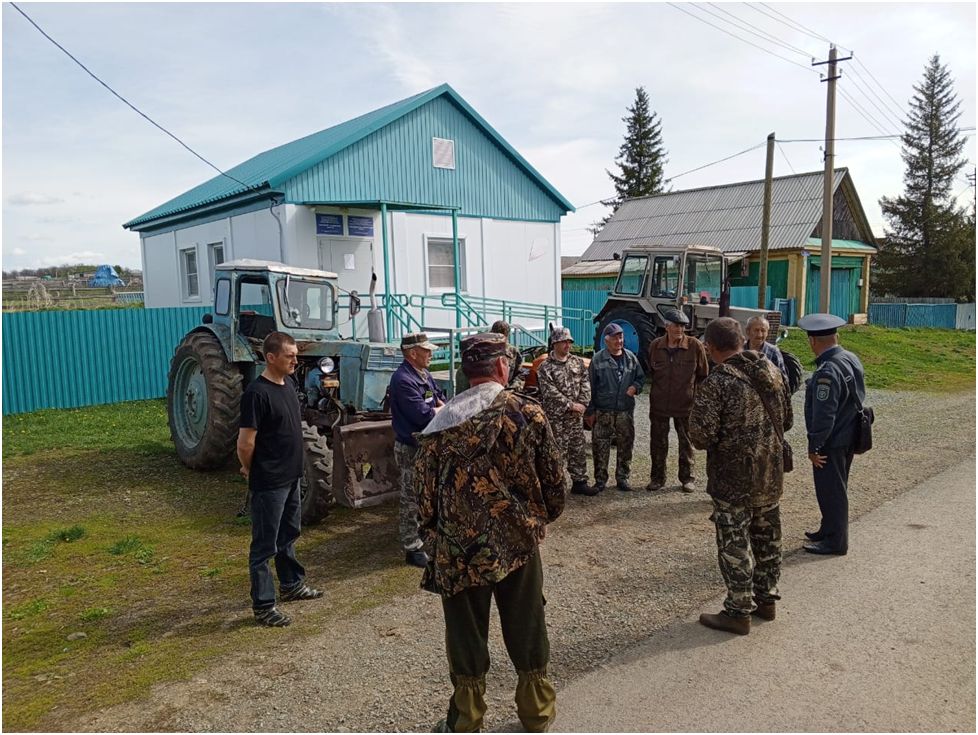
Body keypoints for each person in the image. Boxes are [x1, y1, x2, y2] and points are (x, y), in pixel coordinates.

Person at [415, 332, 565, 734]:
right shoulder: (525, 412)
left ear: (466, 371)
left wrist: (436, 537)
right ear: (502, 366)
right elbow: (554, 478)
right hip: (517, 541)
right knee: (528, 622)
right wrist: (541, 518)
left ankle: (465, 719)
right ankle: (536, 714)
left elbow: (423, 499)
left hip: (456, 548)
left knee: (465, 633)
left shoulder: (437, 425)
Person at [690, 318, 793, 635]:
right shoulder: (774, 372)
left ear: (710, 347)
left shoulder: (718, 384)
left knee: (735, 546)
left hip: (732, 481)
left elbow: (700, 437)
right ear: (741, 340)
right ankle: (767, 600)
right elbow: (787, 420)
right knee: (767, 541)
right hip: (770, 476)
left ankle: (738, 612)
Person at [238, 332, 324, 628]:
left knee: (289, 533)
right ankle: (263, 605)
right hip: (269, 481)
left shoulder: (288, 385)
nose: (295, 360)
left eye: (296, 354)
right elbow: (245, 443)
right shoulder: (256, 393)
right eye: (290, 356)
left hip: (291, 478)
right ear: (270, 357)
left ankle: (291, 585)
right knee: (264, 545)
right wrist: (250, 469)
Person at [797, 313, 866, 556]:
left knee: (832, 491)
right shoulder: (850, 358)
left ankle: (836, 542)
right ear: (836, 337)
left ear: (813, 342)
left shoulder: (827, 371)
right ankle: (828, 529)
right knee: (835, 487)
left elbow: (824, 415)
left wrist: (814, 447)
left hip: (832, 441)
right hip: (848, 435)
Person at [389, 332, 446, 567]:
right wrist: (440, 410)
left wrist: (438, 405)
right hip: (411, 446)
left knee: (427, 493)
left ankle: (424, 532)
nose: (431, 353)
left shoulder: (422, 375)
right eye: (426, 350)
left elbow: (435, 396)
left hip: (426, 445)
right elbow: (421, 414)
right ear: (413, 353)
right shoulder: (403, 379)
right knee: (411, 496)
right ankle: (411, 546)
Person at [644, 309, 709, 493]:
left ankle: (687, 479)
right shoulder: (655, 346)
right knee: (658, 444)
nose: (680, 329)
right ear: (667, 327)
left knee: (687, 443)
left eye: (682, 326)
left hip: (685, 405)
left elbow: (703, 375)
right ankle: (657, 479)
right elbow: (650, 373)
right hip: (659, 406)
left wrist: (699, 401)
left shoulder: (695, 346)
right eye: (676, 325)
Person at [585, 323, 645, 492]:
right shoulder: (597, 359)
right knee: (600, 447)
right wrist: (590, 411)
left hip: (625, 411)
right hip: (603, 411)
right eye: (615, 337)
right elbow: (590, 387)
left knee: (626, 444)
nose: (619, 341)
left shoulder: (631, 358)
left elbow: (640, 378)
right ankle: (600, 480)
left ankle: (623, 478)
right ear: (606, 340)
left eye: (621, 337)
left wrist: (635, 387)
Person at [536, 326, 593, 495]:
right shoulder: (545, 367)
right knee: (556, 452)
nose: (568, 345)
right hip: (556, 418)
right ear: (555, 343)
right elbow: (549, 392)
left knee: (578, 448)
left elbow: (586, 384)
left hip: (575, 417)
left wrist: (582, 404)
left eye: (569, 342)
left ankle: (580, 481)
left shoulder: (577, 362)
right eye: (564, 342)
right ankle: (556, 485)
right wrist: (570, 405)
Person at [454, 320, 525, 393]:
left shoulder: (513, 351)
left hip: (505, 391)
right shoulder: (484, 348)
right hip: (481, 391)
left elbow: (519, 375)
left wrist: (512, 390)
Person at [745, 316, 788, 385]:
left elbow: (784, 380)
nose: (760, 335)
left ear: (767, 332)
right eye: (756, 330)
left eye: (763, 331)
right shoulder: (740, 350)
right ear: (748, 332)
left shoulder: (774, 352)